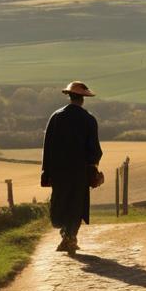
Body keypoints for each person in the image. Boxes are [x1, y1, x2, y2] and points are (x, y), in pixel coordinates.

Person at [41, 81, 103, 254]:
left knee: (61, 201)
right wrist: (93, 167)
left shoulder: (56, 117)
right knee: (77, 204)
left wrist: (46, 170)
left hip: (59, 170)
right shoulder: (89, 119)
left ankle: (66, 235)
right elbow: (94, 149)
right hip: (80, 170)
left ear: (69, 96)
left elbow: (48, 146)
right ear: (83, 99)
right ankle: (70, 236)